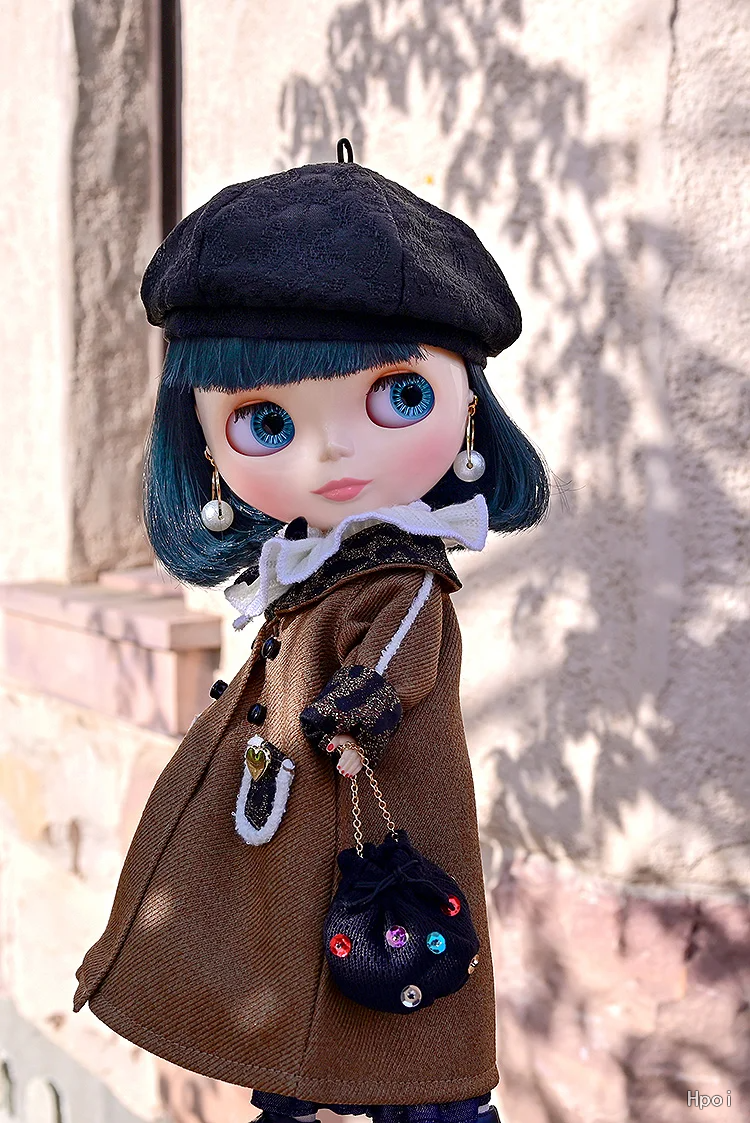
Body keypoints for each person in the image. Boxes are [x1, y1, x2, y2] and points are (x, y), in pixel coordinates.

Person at [73, 140, 550, 1123]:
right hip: (301, 829)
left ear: (468, 411)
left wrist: (356, 709)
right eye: (267, 421)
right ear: (203, 437)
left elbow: (402, 647)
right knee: (299, 989)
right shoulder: (309, 565)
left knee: (394, 1029)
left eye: (399, 397)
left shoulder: (401, 569)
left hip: (367, 824)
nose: (333, 451)